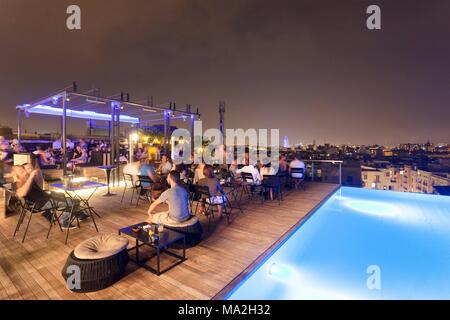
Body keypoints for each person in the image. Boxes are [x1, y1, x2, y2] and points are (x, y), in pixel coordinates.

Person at [12, 164, 78, 229]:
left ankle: (80, 215)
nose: (25, 172)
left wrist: (35, 176)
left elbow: (40, 189)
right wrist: (31, 177)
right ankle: (65, 223)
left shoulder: (27, 180)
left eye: (24, 170)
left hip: (46, 199)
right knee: (73, 202)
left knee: (68, 198)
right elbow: (21, 193)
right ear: (17, 174)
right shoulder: (17, 184)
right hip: (42, 203)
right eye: (22, 171)